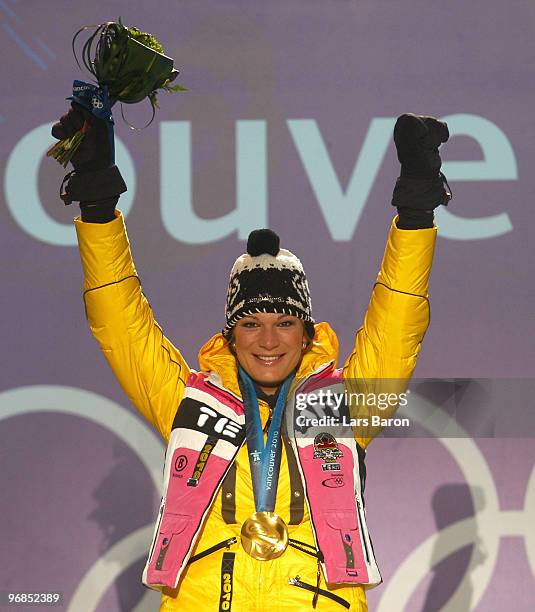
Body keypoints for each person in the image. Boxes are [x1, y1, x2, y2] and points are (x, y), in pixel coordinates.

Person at [51, 104, 450, 611]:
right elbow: (120, 321)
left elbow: (399, 321)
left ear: (306, 333)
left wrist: (416, 212)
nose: (268, 340)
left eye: (284, 323)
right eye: (251, 324)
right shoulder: (189, 400)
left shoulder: (340, 405)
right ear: (230, 335)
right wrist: (97, 204)